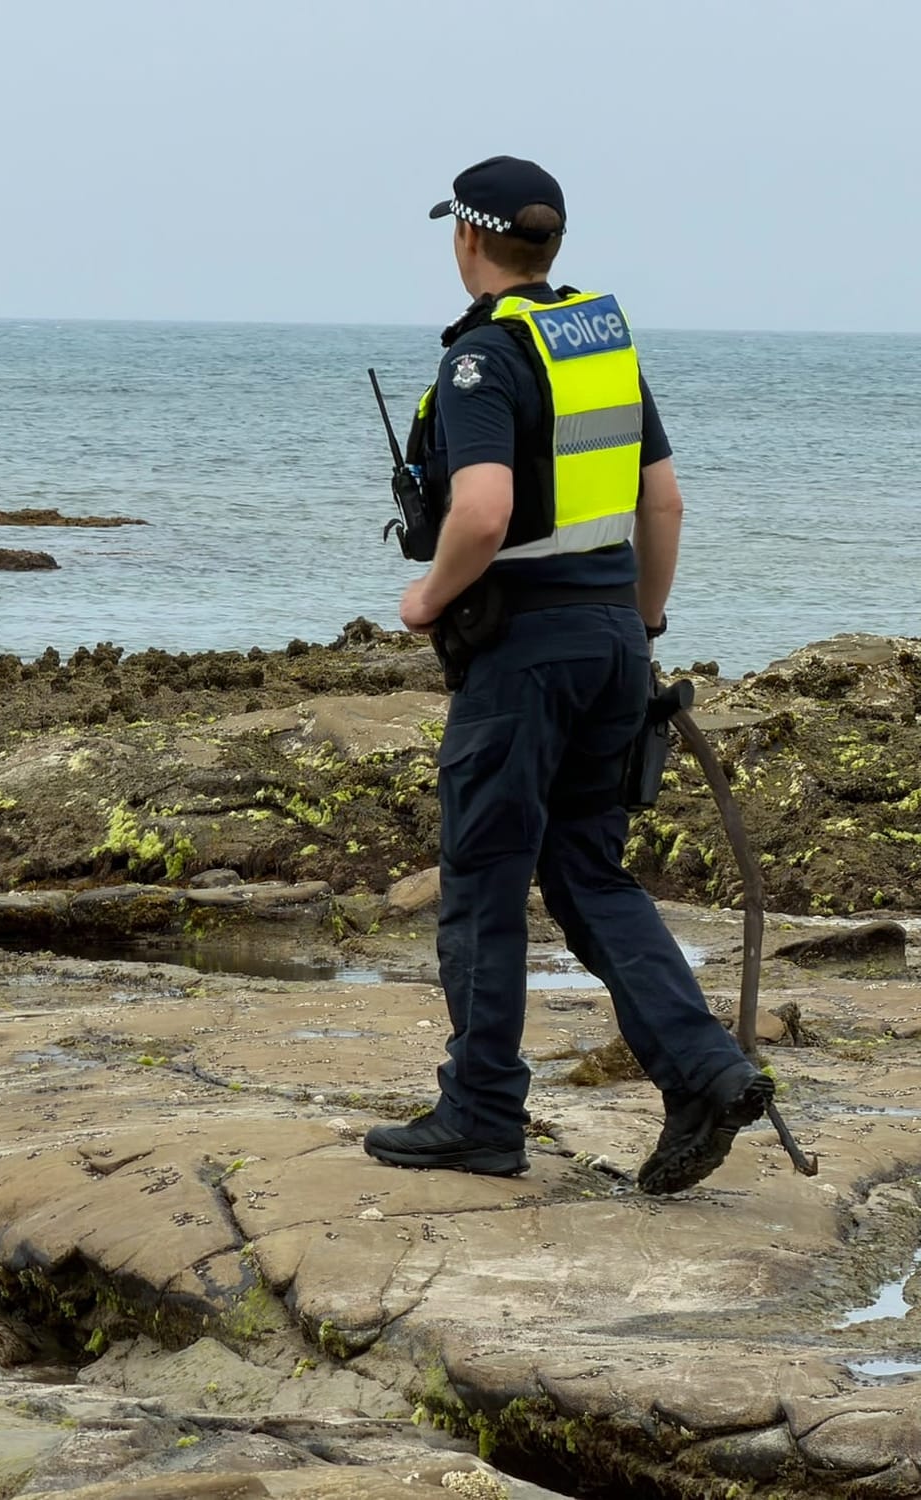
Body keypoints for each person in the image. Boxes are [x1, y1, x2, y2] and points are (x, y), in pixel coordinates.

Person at [361, 155, 771, 1195]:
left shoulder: (481, 362)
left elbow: (485, 511)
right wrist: (638, 629)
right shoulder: (597, 344)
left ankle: (481, 1114)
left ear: (466, 238)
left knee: (485, 879)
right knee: (588, 871)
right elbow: (662, 505)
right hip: (611, 643)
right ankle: (705, 1072)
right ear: (549, 245)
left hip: (523, 660)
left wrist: (423, 599)